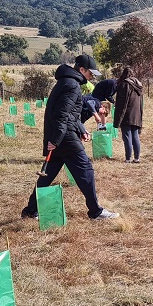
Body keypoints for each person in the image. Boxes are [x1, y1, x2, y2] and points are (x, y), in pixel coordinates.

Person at [21, 54, 119, 221]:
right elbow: (61, 115)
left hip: (61, 135)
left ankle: (30, 211)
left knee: (47, 175)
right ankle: (95, 212)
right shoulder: (72, 86)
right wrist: (56, 140)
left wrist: (81, 130)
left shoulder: (66, 82)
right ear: (82, 70)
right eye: (90, 73)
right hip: (65, 138)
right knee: (86, 171)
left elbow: (72, 115)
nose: (92, 77)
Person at [113, 65, 144, 163]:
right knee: (135, 135)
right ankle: (137, 158)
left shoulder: (125, 84)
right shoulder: (139, 85)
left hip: (126, 114)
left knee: (127, 136)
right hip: (136, 114)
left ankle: (128, 158)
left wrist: (118, 118)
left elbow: (121, 103)